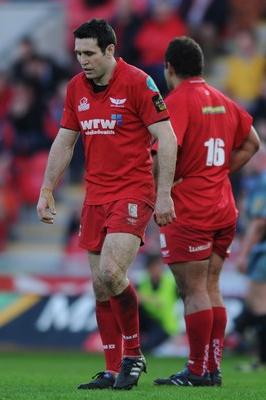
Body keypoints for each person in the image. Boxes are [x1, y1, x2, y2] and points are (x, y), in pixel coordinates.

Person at [36, 18, 177, 390]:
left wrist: (164, 193)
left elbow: (167, 137)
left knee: (113, 273)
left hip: (133, 190)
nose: (82, 60)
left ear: (110, 50)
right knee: (100, 286)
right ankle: (113, 367)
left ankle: (134, 355)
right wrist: (46, 188)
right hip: (94, 195)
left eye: (89, 53)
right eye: (78, 53)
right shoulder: (75, 88)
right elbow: (65, 142)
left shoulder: (137, 82)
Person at [152, 36, 260, 387]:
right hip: (223, 207)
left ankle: (198, 369)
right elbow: (252, 142)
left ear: (170, 68)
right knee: (211, 287)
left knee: (194, 289)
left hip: (191, 209)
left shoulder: (177, 102)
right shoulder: (221, 99)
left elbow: (160, 153)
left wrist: (161, 189)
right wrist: (220, 172)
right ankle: (211, 367)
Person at [233, 144, 266, 372]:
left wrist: (243, 254)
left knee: (258, 305)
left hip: (263, 252)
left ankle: (263, 360)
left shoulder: (263, 181)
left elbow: (258, 223)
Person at [137, 253, 179, 352]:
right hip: (150, 320)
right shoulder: (143, 282)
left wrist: (145, 298)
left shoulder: (171, 283)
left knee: (147, 347)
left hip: (164, 325)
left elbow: (160, 303)